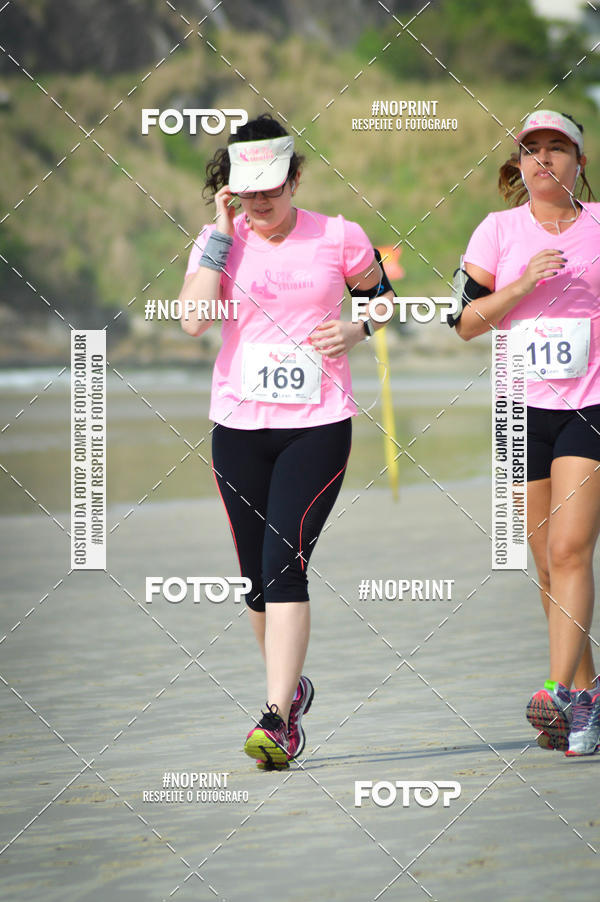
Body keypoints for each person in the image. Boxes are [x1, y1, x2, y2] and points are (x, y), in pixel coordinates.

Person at [178, 114, 393, 769]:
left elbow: (382, 298)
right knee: (254, 583)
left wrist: (358, 329)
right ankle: (290, 686)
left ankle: (277, 720)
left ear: (296, 178)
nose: (261, 201)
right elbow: (192, 319)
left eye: (273, 187)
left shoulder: (338, 236)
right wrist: (220, 231)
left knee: (283, 565)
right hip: (239, 432)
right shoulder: (220, 241)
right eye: (247, 190)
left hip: (317, 426)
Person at [451, 110, 600, 756]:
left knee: (570, 550)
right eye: (532, 150)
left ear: (579, 163)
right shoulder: (496, 231)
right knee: (545, 564)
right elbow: (463, 322)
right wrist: (520, 284)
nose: (545, 159)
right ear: (518, 165)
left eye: (558, 149)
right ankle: (588, 699)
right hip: (519, 412)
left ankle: (557, 692)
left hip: (590, 404)